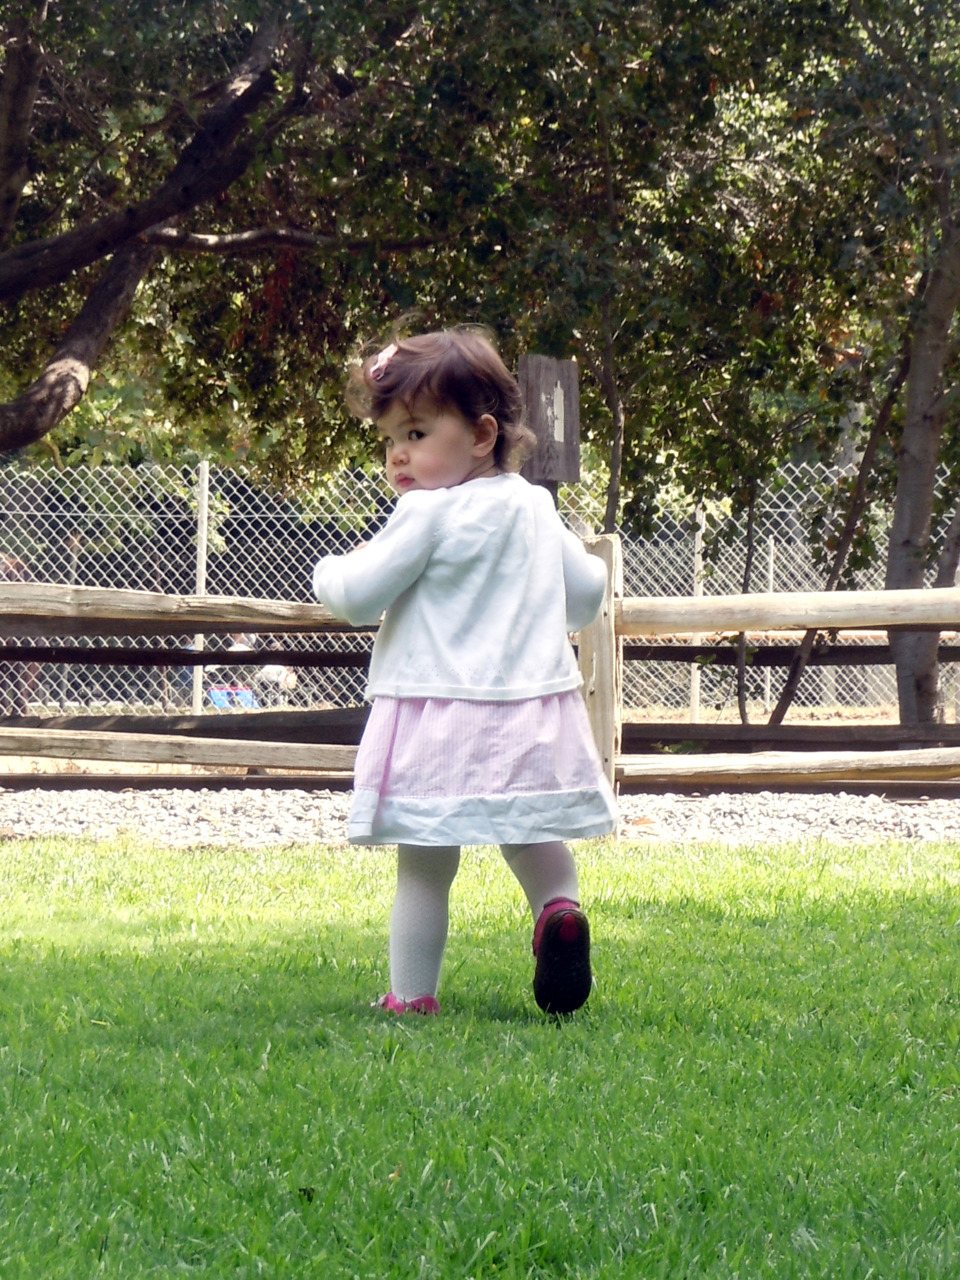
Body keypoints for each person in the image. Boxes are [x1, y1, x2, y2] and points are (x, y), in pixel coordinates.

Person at [312, 328, 617, 1016]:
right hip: (531, 711)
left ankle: (411, 996)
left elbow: (358, 597)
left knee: (425, 862)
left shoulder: (425, 512)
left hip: (436, 714)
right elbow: (585, 596)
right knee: (531, 830)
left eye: (416, 432)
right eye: (390, 438)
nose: (397, 453)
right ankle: (558, 911)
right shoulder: (534, 506)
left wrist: (329, 572)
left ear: (481, 435)